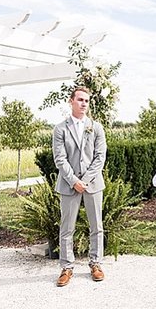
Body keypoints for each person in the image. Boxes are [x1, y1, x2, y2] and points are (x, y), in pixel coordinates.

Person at [52, 88, 106, 284]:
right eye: (80, 100)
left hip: (93, 184)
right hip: (69, 185)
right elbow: (60, 158)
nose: (84, 103)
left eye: (87, 101)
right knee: (67, 227)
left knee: (96, 226)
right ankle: (66, 267)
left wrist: (86, 180)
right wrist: (74, 180)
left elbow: (100, 157)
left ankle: (96, 263)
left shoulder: (96, 127)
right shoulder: (60, 129)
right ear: (71, 101)